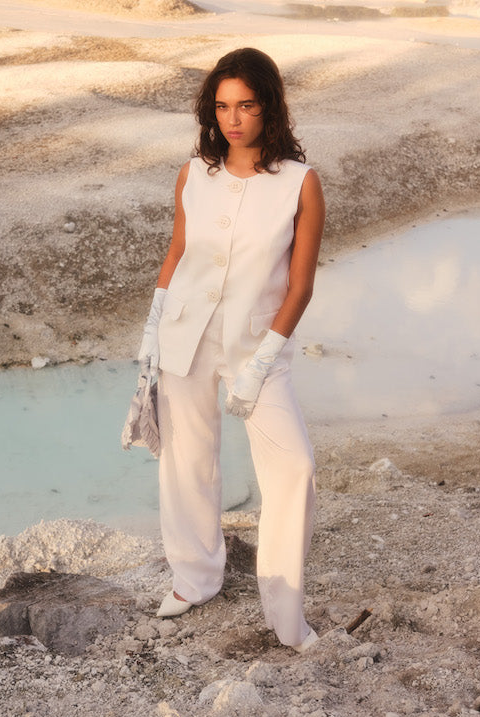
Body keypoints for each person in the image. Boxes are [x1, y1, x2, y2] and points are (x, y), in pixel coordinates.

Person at [137, 47, 325, 652]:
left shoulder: (300, 183)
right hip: (184, 336)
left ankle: (285, 612)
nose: (233, 119)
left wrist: (267, 357)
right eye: (222, 106)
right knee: (186, 460)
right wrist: (152, 328)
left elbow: (300, 285)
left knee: (294, 467)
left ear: (269, 105)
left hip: (257, 348)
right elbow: (178, 253)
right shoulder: (195, 173)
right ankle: (195, 578)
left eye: (245, 105)